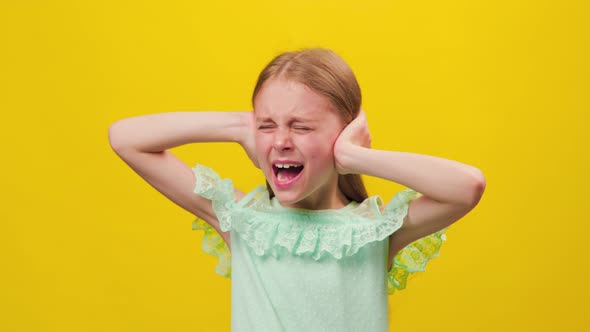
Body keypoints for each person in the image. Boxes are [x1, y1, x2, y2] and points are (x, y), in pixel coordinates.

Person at [108, 47, 486, 332]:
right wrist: (239, 126)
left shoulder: (374, 230)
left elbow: (467, 186)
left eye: (301, 127)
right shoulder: (243, 220)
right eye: (267, 125)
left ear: (343, 135)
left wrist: (352, 156)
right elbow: (125, 138)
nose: (281, 141)